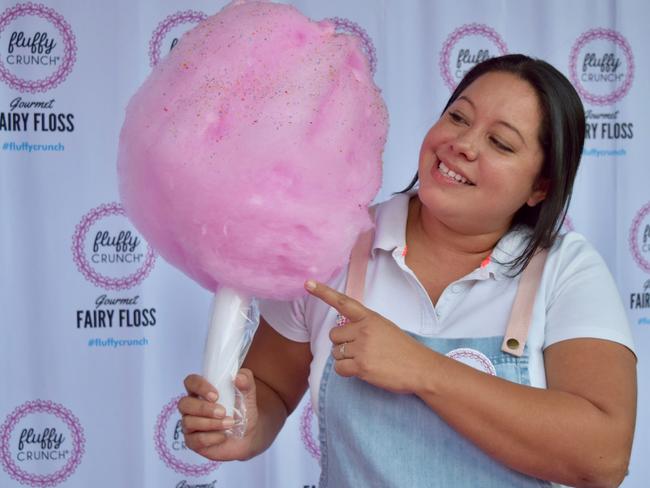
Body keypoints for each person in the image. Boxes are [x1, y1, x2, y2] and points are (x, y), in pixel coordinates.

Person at [177, 54, 637, 487]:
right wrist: (242, 426)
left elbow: (603, 459)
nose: (463, 144)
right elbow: (271, 391)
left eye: (500, 142)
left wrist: (421, 369)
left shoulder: (565, 270)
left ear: (540, 187)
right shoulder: (333, 244)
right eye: (458, 117)